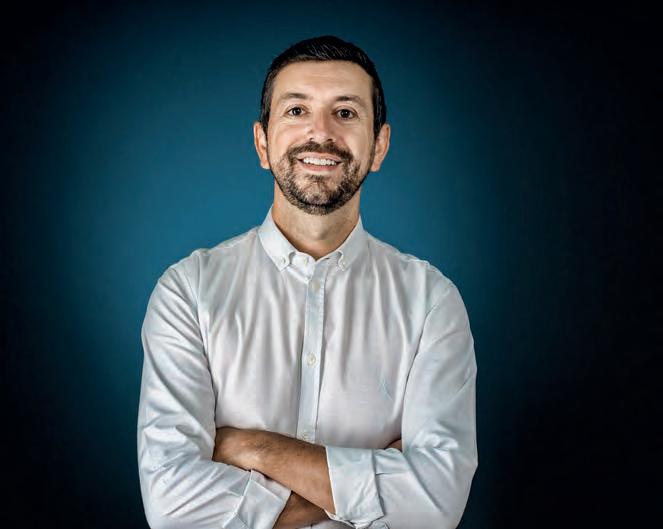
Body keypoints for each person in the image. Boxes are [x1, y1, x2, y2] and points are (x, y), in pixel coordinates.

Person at [137, 35, 477, 529]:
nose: (321, 133)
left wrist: (255, 448)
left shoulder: (431, 303)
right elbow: (172, 508)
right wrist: (379, 480)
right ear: (262, 143)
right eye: (296, 110)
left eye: (345, 113)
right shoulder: (187, 292)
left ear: (379, 145)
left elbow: (436, 505)